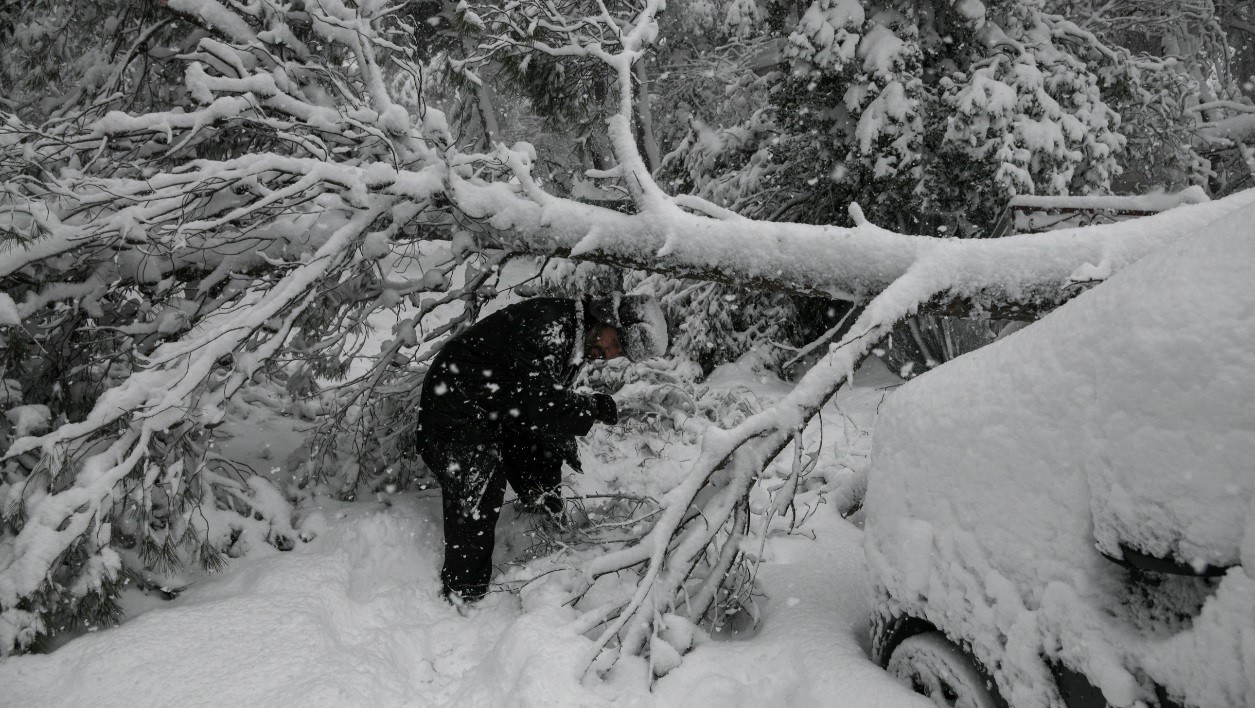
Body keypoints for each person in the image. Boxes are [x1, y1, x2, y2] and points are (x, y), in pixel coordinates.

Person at [416, 294, 668, 605]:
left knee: (543, 442)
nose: (610, 353)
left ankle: (541, 510)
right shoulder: (550, 326)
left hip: (491, 406)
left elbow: (542, 406)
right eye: (615, 341)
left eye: (619, 352)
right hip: (454, 407)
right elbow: (539, 403)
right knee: (481, 486)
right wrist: (591, 407)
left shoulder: (576, 333)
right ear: (605, 319)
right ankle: (462, 593)